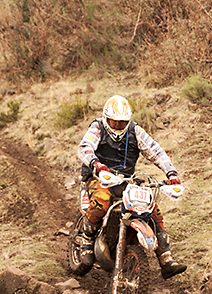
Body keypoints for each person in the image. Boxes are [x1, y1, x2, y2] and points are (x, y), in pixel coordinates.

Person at [77, 95, 187, 279]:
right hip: (98, 177)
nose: (118, 125)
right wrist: (96, 164)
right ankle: (87, 240)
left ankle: (166, 259)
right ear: (106, 118)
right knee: (102, 201)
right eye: (115, 121)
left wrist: (171, 173)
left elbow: (156, 151)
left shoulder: (135, 130)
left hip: (125, 180)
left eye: (122, 122)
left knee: (152, 210)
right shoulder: (97, 127)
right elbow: (85, 147)